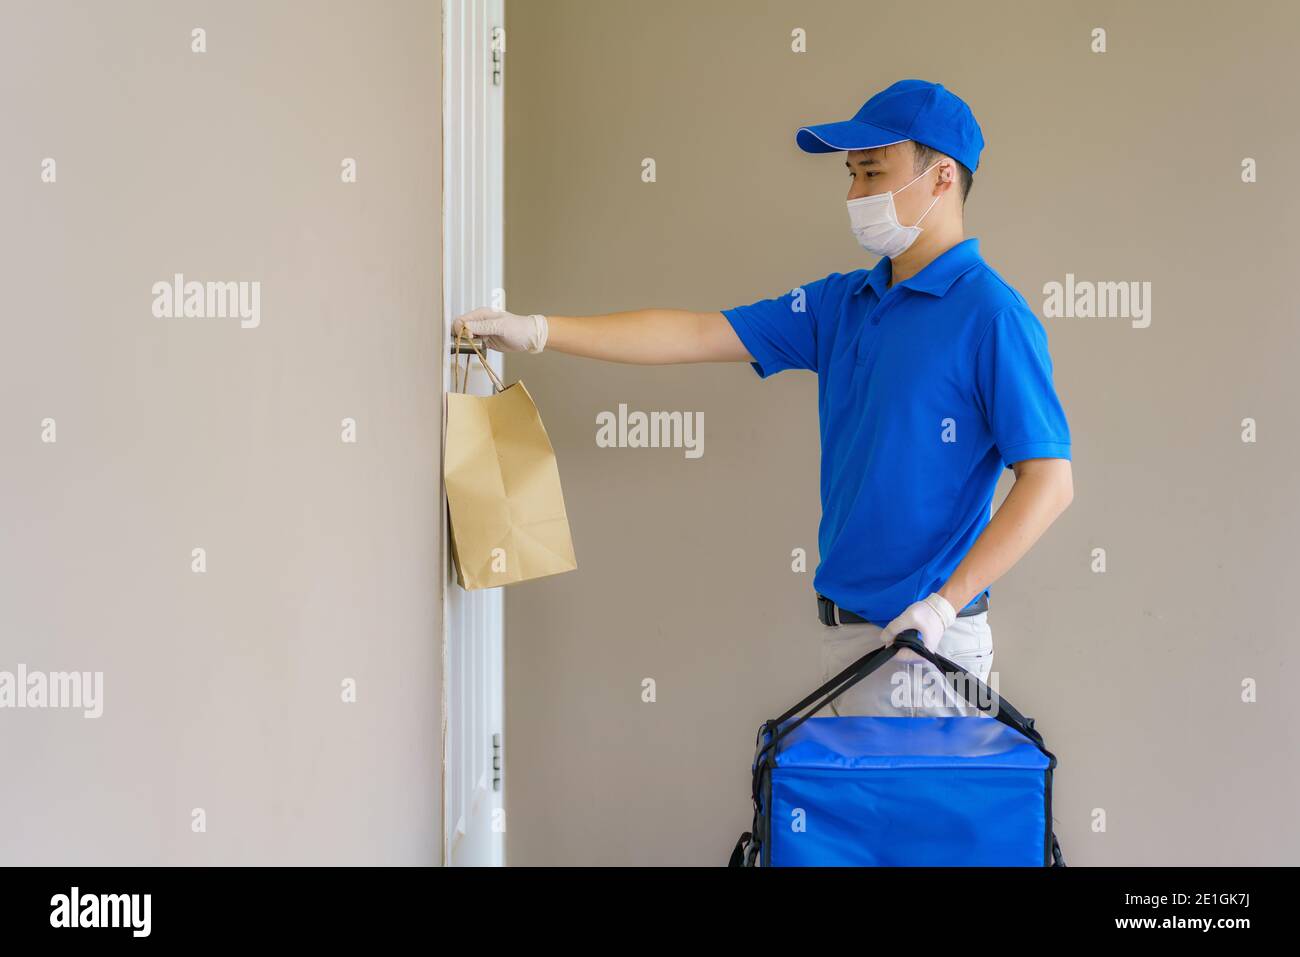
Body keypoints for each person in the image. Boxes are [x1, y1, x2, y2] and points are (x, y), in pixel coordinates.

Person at [452, 79, 1073, 718]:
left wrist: (941, 608)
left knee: (911, 820)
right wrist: (540, 331)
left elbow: (1050, 482)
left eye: (872, 173)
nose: (855, 194)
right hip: (847, 634)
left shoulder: (991, 315)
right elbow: (697, 331)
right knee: (847, 818)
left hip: (931, 649)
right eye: (851, 176)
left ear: (942, 178)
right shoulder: (844, 304)